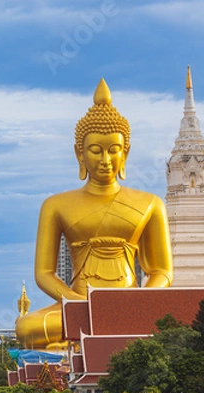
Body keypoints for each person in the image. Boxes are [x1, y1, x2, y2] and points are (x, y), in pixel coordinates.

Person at [15, 79, 173, 349]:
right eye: (95, 150)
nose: (105, 160)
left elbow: (162, 271)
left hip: (130, 303)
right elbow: (44, 274)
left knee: (182, 322)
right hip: (80, 303)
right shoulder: (55, 205)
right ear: (80, 153)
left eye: (114, 150)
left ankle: (78, 341)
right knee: (26, 329)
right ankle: (93, 334)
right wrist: (81, 305)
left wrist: (139, 302)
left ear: (126, 153)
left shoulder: (151, 203)